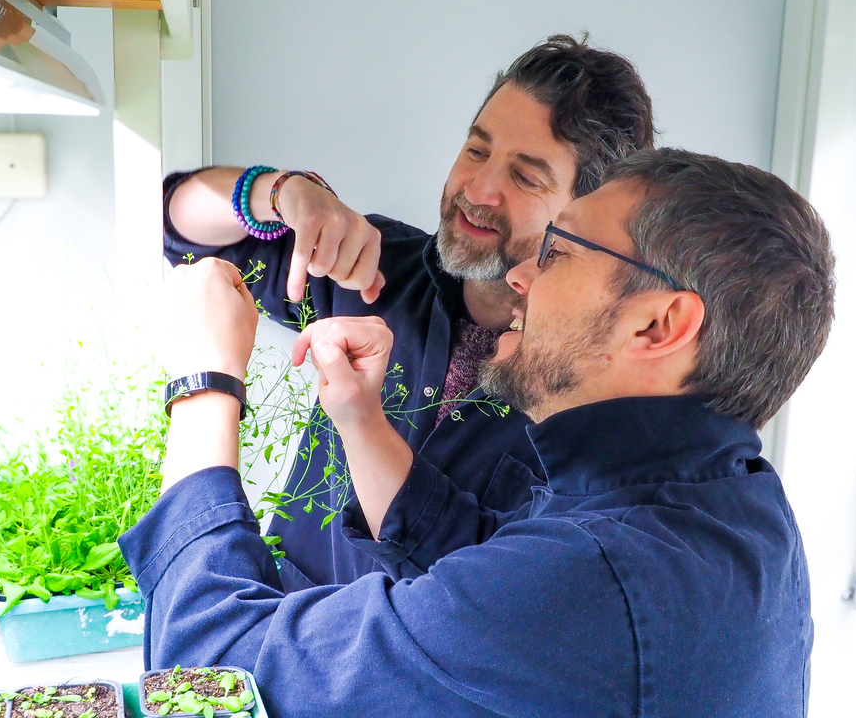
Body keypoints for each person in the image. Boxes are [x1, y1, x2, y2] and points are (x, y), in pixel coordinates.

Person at [119, 148, 836, 717]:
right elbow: (489, 556)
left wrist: (205, 382)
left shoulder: (589, 580)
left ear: (658, 324)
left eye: (557, 251)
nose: (521, 276)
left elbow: (204, 680)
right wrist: (362, 420)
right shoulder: (733, 510)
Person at [161, 34, 656, 588]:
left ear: (585, 214)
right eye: (476, 150)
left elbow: (499, 593)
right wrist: (283, 191)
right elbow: (179, 225)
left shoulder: (586, 396)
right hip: (275, 640)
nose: (481, 188)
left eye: (524, 176)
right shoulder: (374, 264)